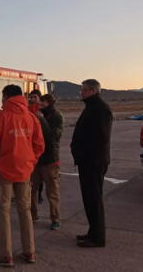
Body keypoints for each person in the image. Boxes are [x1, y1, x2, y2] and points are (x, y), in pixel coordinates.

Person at [0, 85, 45, 267]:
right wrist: (30, 162)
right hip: (24, 171)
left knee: (2, 212)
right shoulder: (31, 117)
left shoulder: (0, 117)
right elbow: (39, 145)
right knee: (25, 210)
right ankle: (29, 252)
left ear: (6, 97)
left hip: (3, 171)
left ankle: (6, 255)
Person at [70, 79, 113, 248]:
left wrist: (84, 153)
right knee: (88, 199)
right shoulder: (92, 107)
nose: (81, 92)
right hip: (87, 161)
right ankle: (92, 232)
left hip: (93, 162)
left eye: (84, 90)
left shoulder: (101, 109)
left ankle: (97, 238)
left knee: (94, 199)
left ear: (93, 91)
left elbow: (101, 138)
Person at [30, 94, 64, 230]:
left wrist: (42, 120)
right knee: (31, 190)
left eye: (42, 102)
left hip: (50, 160)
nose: (39, 104)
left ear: (49, 102)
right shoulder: (35, 115)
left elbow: (52, 137)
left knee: (52, 192)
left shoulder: (56, 116)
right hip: (36, 159)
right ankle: (32, 215)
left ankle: (55, 218)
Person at [27, 90, 44, 204]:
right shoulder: (27, 109)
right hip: (29, 143)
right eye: (31, 97)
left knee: (39, 174)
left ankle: (39, 194)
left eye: (35, 97)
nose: (32, 99)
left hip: (39, 142)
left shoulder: (42, 110)